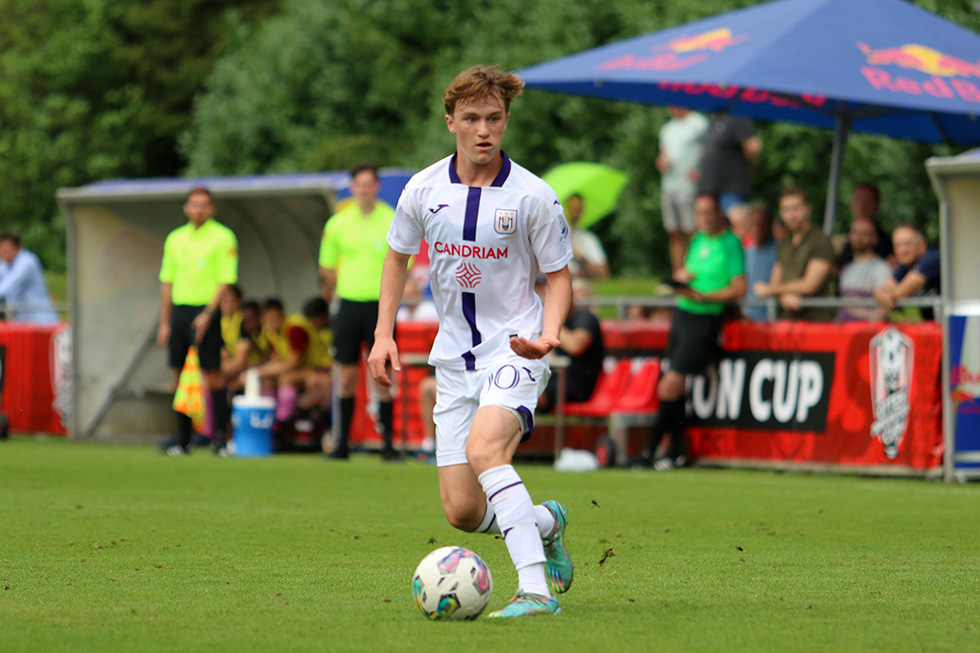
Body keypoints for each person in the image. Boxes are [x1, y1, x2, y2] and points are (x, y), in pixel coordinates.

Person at [368, 65, 575, 619]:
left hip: (516, 349)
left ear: (506, 120)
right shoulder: (423, 187)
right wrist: (383, 334)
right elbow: (396, 255)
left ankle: (534, 590)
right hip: (453, 360)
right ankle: (545, 522)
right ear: (451, 122)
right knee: (461, 509)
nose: (483, 130)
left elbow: (558, 276)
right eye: (471, 119)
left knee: (487, 451)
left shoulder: (533, 195)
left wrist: (549, 334)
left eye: (494, 119)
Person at [635, 193, 746, 471]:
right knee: (675, 386)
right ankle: (675, 451)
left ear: (719, 214)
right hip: (683, 314)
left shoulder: (730, 244)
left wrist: (705, 297)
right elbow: (691, 270)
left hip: (704, 317)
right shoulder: (697, 240)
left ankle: (649, 451)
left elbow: (739, 288)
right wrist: (683, 278)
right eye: (700, 213)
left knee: (670, 384)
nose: (705, 218)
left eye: (709, 213)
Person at [319, 163, 398, 460]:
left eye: (369, 184)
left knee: (383, 376)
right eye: (359, 184)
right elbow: (326, 267)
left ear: (376, 187)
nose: (364, 189)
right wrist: (334, 292)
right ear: (352, 188)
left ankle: (388, 444)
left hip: (381, 307)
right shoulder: (337, 223)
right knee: (346, 375)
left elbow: (404, 262)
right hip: (349, 305)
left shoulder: (391, 219)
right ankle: (342, 444)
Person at [157, 187, 238, 456]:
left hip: (207, 312)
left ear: (212, 208)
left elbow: (226, 279)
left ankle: (220, 439)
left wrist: (208, 313)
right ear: (186, 208)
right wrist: (165, 322)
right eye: (193, 205)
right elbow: (166, 281)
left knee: (213, 374)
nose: (198, 210)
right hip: (180, 311)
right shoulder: (175, 239)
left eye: (203, 205)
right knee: (180, 376)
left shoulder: (223, 237)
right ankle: (183, 439)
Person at [753, 186, 835, 322]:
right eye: (786, 210)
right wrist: (783, 296)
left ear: (807, 209)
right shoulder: (784, 243)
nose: (791, 215)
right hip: (786, 323)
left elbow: (809, 285)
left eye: (795, 208)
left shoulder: (821, 241)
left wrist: (769, 290)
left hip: (816, 324)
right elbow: (775, 282)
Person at [537, 277, 605, 412]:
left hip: (578, 385)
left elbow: (576, 346)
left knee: (528, 396)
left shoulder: (585, 318)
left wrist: (553, 322)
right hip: (557, 378)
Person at [657, 107, 708, 272]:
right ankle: (678, 276)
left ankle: (696, 272)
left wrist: (702, 171)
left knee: (692, 231)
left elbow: (711, 150)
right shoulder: (667, 128)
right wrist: (661, 162)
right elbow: (662, 154)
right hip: (668, 186)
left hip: (689, 188)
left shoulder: (699, 123)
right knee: (674, 233)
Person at [695, 114, 762, 215]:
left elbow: (754, 145)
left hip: (732, 189)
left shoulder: (737, 117)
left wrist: (748, 165)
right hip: (711, 191)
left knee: (736, 223)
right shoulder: (713, 120)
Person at [872, 224, 941, 320]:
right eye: (897, 245)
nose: (902, 250)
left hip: (952, 327)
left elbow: (900, 293)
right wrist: (879, 293)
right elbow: (885, 288)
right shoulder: (907, 264)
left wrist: (882, 294)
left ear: (922, 243)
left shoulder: (932, 260)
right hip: (936, 326)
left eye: (907, 244)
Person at [836, 218, 892, 322]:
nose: (858, 237)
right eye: (855, 232)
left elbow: (884, 305)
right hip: (843, 332)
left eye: (864, 233)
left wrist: (869, 329)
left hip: (865, 333)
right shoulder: (846, 268)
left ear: (874, 239)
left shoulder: (881, 268)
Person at [0, 232, 59, 324]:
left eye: (6, 249)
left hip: (40, 320)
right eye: (1, 250)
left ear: (17, 247)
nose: (3, 253)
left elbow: (6, 288)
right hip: (22, 320)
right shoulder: (5, 263)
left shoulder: (27, 263)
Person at [837, 183, 895, 270]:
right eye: (858, 199)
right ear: (852, 204)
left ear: (877, 206)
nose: (862, 205)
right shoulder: (844, 240)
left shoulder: (882, 241)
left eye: (868, 201)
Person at [742, 203, 778, 322]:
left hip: (772, 320)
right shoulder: (746, 252)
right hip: (748, 320)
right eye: (753, 223)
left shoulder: (780, 252)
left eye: (762, 223)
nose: (757, 227)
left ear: (770, 224)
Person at [565, 194, 610, 280]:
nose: (575, 212)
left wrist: (581, 259)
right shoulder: (552, 239)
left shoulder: (588, 238)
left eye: (578, 208)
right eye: (572, 207)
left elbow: (603, 273)